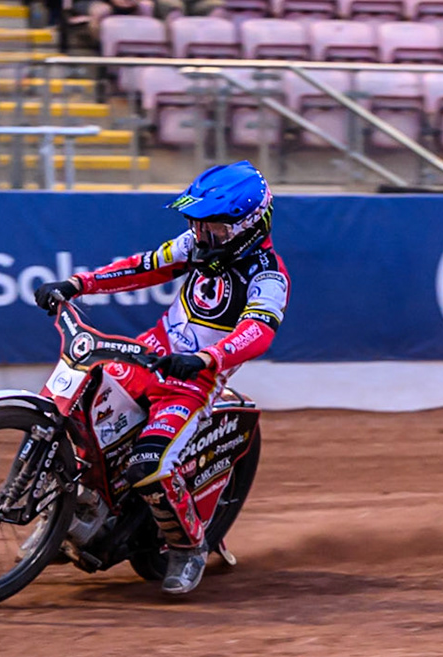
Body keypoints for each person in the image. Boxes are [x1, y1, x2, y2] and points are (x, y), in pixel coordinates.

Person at [29, 161, 289, 596]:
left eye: (215, 230)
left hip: (193, 382)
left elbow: (258, 332)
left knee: (150, 465)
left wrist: (208, 358)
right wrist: (78, 283)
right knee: (77, 415)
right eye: (198, 226)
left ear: (249, 226)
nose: (203, 236)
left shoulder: (268, 275)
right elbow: (144, 266)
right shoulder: (198, 243)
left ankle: (189, 547)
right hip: (148, 355)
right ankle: (66, 518)